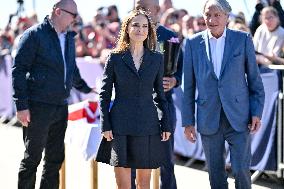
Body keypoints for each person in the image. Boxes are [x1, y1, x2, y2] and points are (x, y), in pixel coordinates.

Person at [12, 0, 96, 188]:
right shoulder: (34, 35)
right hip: (37, 105)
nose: (76, 19)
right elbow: (19, 70)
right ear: (58, 12)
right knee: (32, 159)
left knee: (55, 159)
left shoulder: (68, 38)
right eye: (73, 14)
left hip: (60, 106)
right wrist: (21, 106)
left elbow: (71, 71)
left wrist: (86, 88)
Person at [182, 0, 265, 189]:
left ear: (227, 17)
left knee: (241, 170)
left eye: (217, 15)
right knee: (216, 174)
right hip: (208, 117)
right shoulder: (193, 43)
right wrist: (188, 121)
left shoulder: (242, 39)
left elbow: (255, 81)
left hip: (239, 116)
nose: (211, 19)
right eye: (208, 15)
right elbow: (189, 87)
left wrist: (256, 112)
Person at [95, 9, 171, 189]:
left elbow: (160, 95)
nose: (140, 29)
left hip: (148, 125)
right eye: (135, 25)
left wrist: (166, 123)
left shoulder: (157, 59)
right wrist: (105, 124)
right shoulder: (114, 58)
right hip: (120, 126)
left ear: (149, 31)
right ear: (127, 28)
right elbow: (104, 94)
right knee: (123, 185)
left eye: (145, 26)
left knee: (144, 184)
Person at [133, 0, 183, 189]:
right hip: (134, 108)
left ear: (157, 9)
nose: (141, 10)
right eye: (138, 6)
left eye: (146, 7)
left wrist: (174, 81)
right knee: (132, 161)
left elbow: (180, 69)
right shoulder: (127, 35)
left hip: (163, 107)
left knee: (166, 161)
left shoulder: (170, 37)